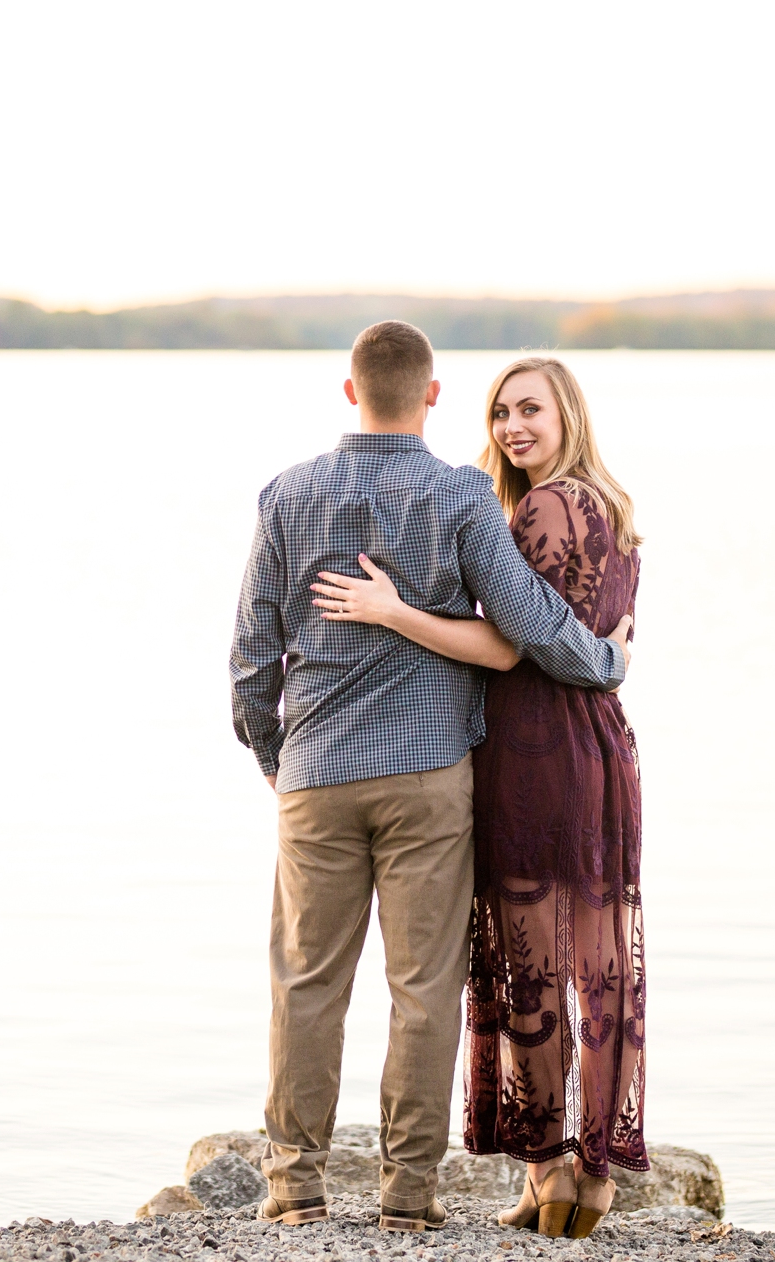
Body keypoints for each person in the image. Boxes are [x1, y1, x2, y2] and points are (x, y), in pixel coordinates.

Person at [230, 324, 631, 1235]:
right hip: (428, 777)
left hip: (317, 774)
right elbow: (529, 619)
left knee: (305, 984)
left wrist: (274, 759)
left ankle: (295, 1187)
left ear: (349, 391)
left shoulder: (287, 495)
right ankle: (407, 1198)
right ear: (435, 396)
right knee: (423, 988)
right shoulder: (458, 495)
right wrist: (605, 661)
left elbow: (252, 658)